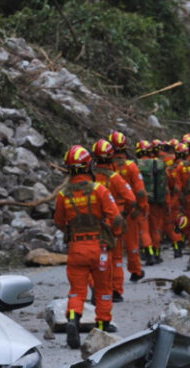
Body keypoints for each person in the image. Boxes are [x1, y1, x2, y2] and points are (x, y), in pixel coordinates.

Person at [54, 145, 123, 349]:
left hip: (76, 248)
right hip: (98, 247)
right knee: (103, 289)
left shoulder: (63, 195)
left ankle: (73, 319)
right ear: (88, 166)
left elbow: (59, 221)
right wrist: (114, 234)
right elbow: (116, 218)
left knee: (77, 290)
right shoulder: (99, 190)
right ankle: (100, 328)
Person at [91, 139, 136, 303]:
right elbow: (131, 198)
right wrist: (124, 215)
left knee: (95, 259)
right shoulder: (115, 178)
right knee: (115, 258)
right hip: (113, 222)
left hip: (93, 224)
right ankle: (115, 291)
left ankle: (97, 289)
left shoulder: (90, 178)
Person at [107, 131, 148, 281]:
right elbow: (141, 191)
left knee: (114, 246)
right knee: (132, 243)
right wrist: (142, 207)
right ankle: (136, 271)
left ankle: (111, 275)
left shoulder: (106, 169)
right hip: (130, 210)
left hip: (110, 211)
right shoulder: (131, 166)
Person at [135, 140, 168, 266]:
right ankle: (157, 252)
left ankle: (147, 252)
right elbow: (165, 183)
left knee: (144, 228)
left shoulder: (135, 165)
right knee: (156, 227)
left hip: (141, 201)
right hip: (156, 201)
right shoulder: (159, 164)